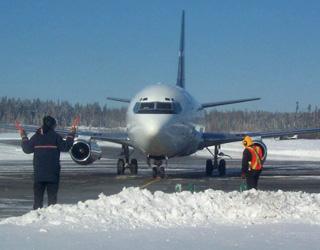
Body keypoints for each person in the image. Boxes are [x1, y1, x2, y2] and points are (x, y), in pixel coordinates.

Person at [19, 116, 76, 209]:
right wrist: (71, 134)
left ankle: (36, 219)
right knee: (52, 202)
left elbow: (27, 149)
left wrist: (24, 137)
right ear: (53, 125)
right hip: (53, 174)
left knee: (37, 202)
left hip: (39, 175)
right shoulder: (56, 137)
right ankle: (50, 220)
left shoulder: (36, 137)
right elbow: (65, 147)